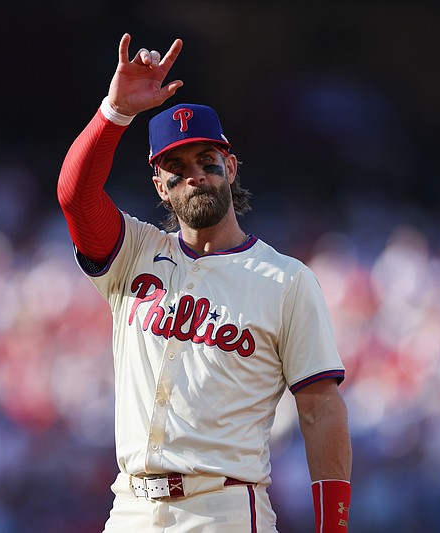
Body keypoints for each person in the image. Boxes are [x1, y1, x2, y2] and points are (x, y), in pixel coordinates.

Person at [57, 33, 352, 532]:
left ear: (230, 167)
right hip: (130, 507)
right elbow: (76, 195)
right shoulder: (134, 252)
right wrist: (115, 112)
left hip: (224, 508)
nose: (195, 174)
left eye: (206, 160)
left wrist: (334, 528)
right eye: (176, 166)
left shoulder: (285, 279)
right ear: (160, 185)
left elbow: (321, 410)